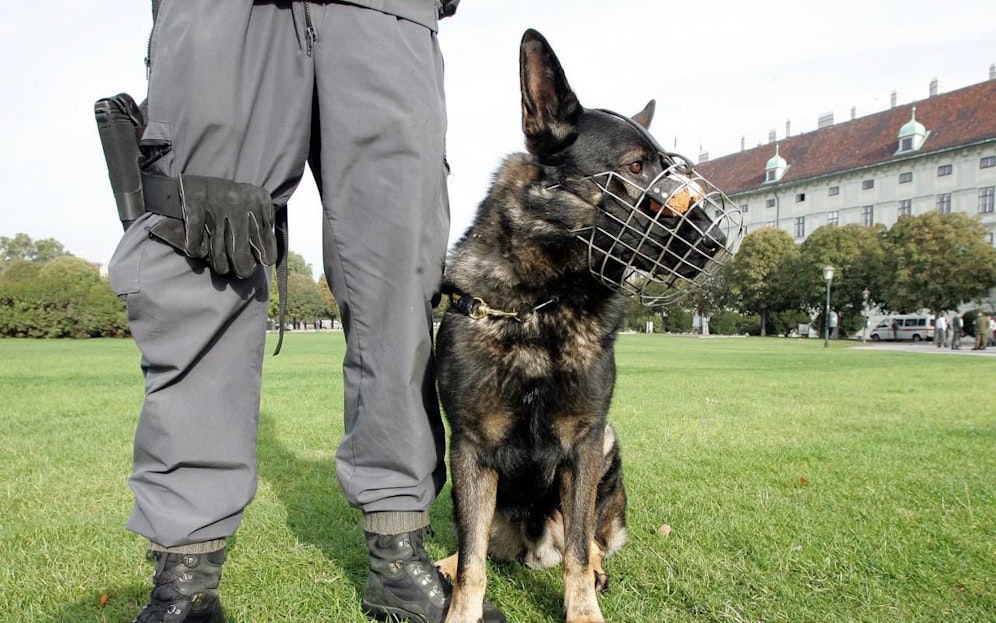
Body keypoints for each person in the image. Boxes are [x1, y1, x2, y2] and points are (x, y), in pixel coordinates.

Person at [107, 2, 505, 622]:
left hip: (386, 12)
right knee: (202, 251)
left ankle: (399, 559)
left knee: (399, 287)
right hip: (223, 12)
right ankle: (185, 581)